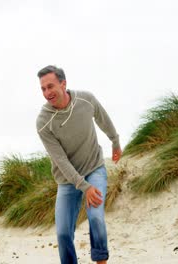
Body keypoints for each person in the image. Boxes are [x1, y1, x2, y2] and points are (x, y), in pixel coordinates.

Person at [35, 65, 122, 264]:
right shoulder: (43, 122)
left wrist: (115, 142)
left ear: (63, 83)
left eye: (50, 86)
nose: (47, 93)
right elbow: (61, 161)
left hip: (94, 168)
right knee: (63, 233)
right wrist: (84, 186)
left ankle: (101, 261)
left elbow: (103, 119)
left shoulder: (86, 99)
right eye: (43, 89)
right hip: (67, 180)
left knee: (96, 217)